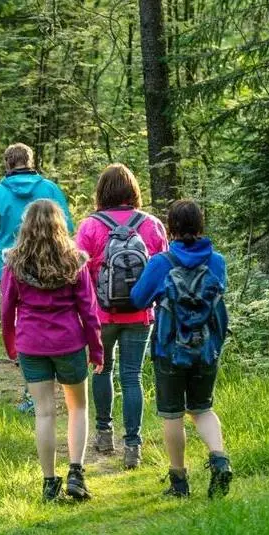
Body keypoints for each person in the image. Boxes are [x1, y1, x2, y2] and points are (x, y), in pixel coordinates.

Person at [0, 199, 103, 502]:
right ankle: (76, 473)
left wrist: (12, 346)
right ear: (61, 225)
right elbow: (89, 310)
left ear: (26, 226)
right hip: (69, 343)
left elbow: (7, 310)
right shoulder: (75, 261)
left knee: (44, 413)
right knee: (78, 408)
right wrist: (96, 350)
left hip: (31, 345)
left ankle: (49, 483)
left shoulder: (14, 264)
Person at [130, 199, 232, 498]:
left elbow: (138, 299)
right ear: (201, 224)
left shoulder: (161, 263)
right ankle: (219, 458)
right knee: (202, 409)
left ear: (170, 228)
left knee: (172, 415)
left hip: (169, 349)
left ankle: (179, 483)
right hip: (206, 347)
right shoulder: (217, 261)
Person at [75, 164, 168, 468]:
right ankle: (133, 446)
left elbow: (81, 274)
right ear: (133, 191)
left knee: (102, 370)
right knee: (132, 377)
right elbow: (163, 270)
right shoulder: (152, 225)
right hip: (140, 314)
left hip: (101, 314)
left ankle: (103, 433)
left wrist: (84, 312)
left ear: (101, 192)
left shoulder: (89, 226)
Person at [0, 143, 74, 414]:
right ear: (31, 160)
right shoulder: (50, 189)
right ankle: (48, 387)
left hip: (11, 272)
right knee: (51, 321)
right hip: (52, 270)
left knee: (21, 328)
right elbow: (70, 227)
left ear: (7, 164)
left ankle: (34, 393)